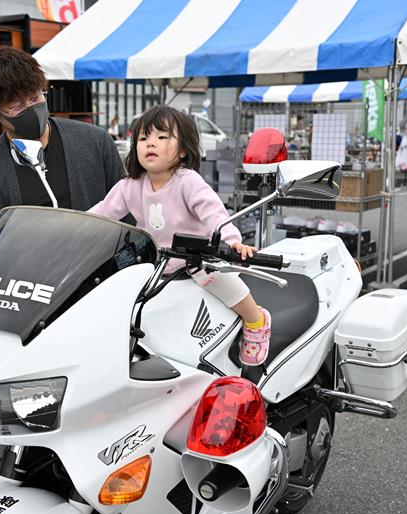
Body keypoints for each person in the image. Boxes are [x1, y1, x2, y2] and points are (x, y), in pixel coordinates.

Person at [89, 105, 272, 365]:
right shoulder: (129, 186)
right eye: (143, 138)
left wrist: (233, 241)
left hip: (196, 260)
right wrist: (72, 227)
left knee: (223, 282)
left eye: (162, 137)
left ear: (183, 150)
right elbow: (100, 214)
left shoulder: (188, 181)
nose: (151, 143)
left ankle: (256, 320)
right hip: (155, 264)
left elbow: (215, 214)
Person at [0, 47, 124, 258]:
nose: (31, 109)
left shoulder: (95, 142)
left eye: (35, 97)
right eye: (18, 106)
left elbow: (129, 211)